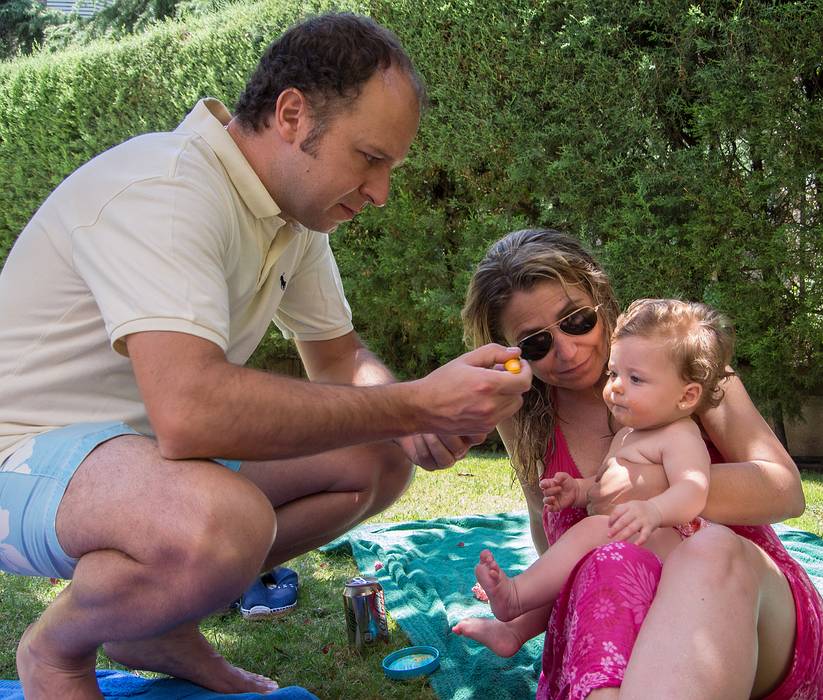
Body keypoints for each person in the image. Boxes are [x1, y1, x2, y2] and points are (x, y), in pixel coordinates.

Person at [0, 13, 533, 700]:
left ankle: (156, 621)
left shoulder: (289, 217)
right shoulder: (164, 190)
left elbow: (340, 360)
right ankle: (56, 651)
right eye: (369, 158)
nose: (380, 192)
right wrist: (415, 400)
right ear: (290, 114)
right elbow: (191, 413)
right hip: (18, 458)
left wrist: (416, 422)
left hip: (132, 462)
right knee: (220, 522)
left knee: (378, 456)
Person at [455, 228, 822, 699]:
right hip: (616, 637)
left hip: (748, 615)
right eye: (535, 345)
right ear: (510, 353)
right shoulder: (523, 417)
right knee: (607, 557)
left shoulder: (686, 366)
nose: (567, 352)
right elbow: (550, 539)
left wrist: (651, 489)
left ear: (600, 300)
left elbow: (785, 491)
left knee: (710, 550)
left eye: (576, 320)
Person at [468, 298, 733, 628]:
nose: (616, 386)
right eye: (614, 373)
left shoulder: (680, 434)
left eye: (635, 379)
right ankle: (517, 626)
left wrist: (655, 511)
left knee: (592, 531)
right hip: (634, 548)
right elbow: (604, 485)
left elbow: (693, 491)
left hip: (677, 551)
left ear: (687, 396)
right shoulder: (629, 434)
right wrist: (576, 491)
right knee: (577, 558)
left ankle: (517, 598)